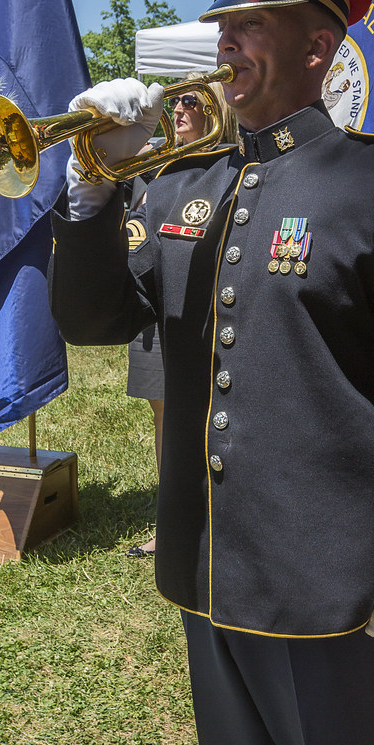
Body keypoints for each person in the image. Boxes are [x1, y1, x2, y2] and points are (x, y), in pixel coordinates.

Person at [49, 0, 374, 745]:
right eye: (222, 24)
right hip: (205, 565)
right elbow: (93, 322)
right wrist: (91, 189)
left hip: (322, 575)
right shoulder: (181, 181)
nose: (225, 43)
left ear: (317, 48)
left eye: (251, 25)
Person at [126, 79, 237, 556]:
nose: (179, 109)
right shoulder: (154, 163)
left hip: (205, 313)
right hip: (153, 312)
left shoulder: (235, 165)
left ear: (218, 110)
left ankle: (219, 521)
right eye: (175, 102)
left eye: (190, 100)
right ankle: (172, 521)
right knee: (164, 413)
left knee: (212, 415)